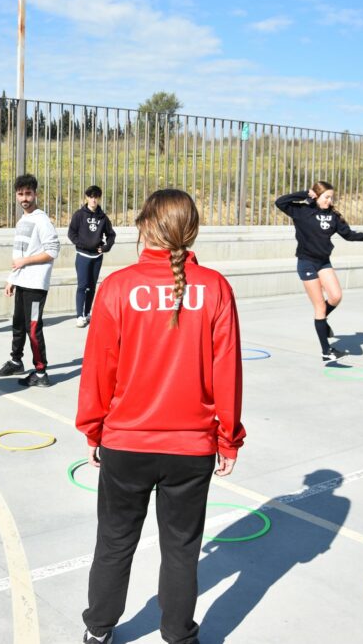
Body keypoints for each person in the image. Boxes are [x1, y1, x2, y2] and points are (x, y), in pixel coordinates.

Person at [76, 188, 244, 644]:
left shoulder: (118, 286)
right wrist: (228, 437)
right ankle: (179, 635)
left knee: (114, 542)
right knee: (182, 550)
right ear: (190, 231)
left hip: (126, 443)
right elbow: (227, 372)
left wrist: (93, 429)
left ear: (146, 226)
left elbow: (98, 370)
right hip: (190, 448)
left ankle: (99, 630)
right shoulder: (215, 288)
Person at [275, 181, 363, 362]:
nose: (329, 200)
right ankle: (326, 351)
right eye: (326, 197)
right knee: (319, 306)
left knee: (335, 297)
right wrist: (305, 193)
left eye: (331, 197)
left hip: (323, 262)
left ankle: (322, 323)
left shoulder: (333, 216)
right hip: (307, 263)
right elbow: (280, 202)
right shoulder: (301, 211)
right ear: (316, 196)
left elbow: (350, 235)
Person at [0, 174, 60, 387]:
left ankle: (41, 373)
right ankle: (16, 361)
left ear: (35, 195)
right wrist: (12, 279)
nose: (24, 198)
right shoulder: (22, 220)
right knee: (18, 324)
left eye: (28, 194)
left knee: (33, 328)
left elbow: (52, 251)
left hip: (36, 284)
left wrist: (26, 262)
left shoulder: (42, 220)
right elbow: (18, 254)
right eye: (20, 194)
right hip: (22, 281)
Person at [67, 185, 116, 328]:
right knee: (82, 286)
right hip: (82, 255)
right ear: (86, 198)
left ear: (99, 198)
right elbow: (71, 233)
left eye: (96, 197)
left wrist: (106, 247)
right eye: (91, 197)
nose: (93, 200)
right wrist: (80, 244)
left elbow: (111, 235)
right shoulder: (79, 215)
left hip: (97, 257)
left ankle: (87, 312)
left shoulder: (103, 217)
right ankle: (79, 316)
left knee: (92, 286)